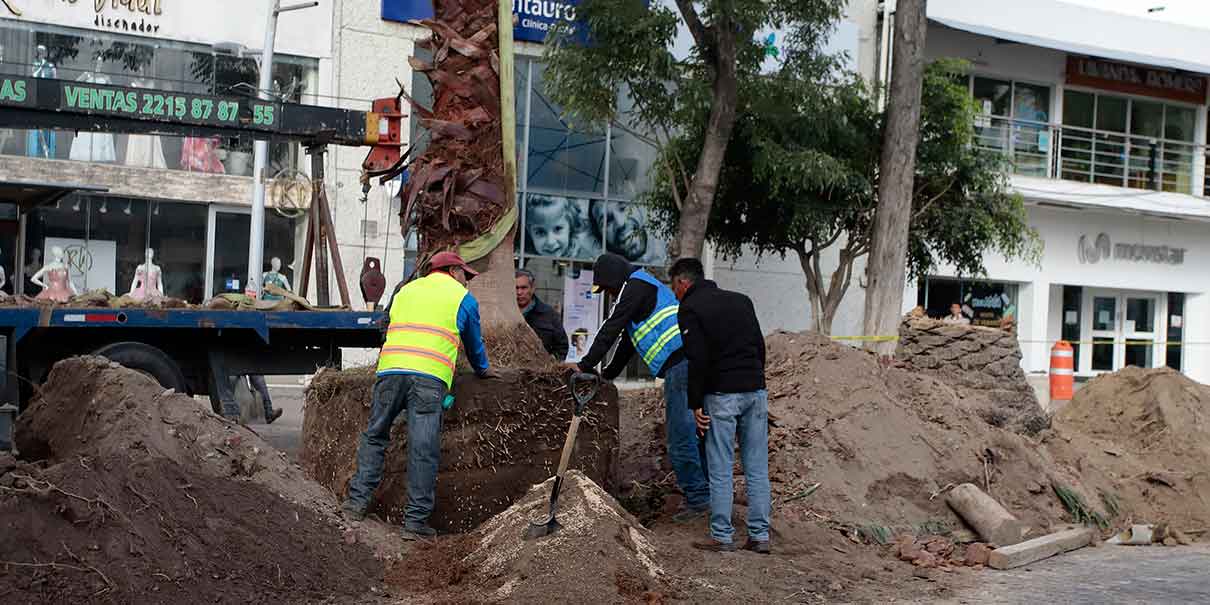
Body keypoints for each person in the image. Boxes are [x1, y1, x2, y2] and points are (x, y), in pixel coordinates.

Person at [341, 251, 499, 540]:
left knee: (375, 435)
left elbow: (387, 326)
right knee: (422, 448)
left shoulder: (405, 291)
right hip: (429, 377)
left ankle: (355, 504)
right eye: (466, 274)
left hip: (390, 372)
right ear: (452, 271)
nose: (468, 281)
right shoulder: (462, 299)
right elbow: (474, 345)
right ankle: (414, 524)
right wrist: (484, 370)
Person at [565, 253, 710, 520]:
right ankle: (706, 494)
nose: (607, 293)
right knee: (696, 431)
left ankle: (699, 500)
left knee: (681, 435)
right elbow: (627, 343)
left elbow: (612, 326)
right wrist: (607, 374)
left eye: (607, 287)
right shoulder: (641, 290)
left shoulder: (636, 285)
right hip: (688, 363)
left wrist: (584, 366)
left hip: (682, 365)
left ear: (614, 279)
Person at [669, 258, 771, 554]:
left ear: (682, 283)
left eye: (674, 287)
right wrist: (756, 382)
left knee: (721, 467)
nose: (674, 294)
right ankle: (760, 536)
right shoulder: (742, 301)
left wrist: (696, 403)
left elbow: (697, 359)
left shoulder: (690, 308)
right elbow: (759, 346)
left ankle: (722, 536)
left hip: (722, 395)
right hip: (755, 392)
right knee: (756, 468)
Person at [524, 194, 600, 259]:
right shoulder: (523, 255)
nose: (550, 242)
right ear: (529, 231)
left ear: (571, 226)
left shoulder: (585, 258)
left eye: (557, 229)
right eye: (540, 232)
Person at [516, 269, 569, 360]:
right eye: (516, 288)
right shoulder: (501, 313)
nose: (519, 292)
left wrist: (550, 363)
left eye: (523, 288)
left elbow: (562, 347)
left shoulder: (549, 314)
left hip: (538, 371)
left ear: (532, 288)